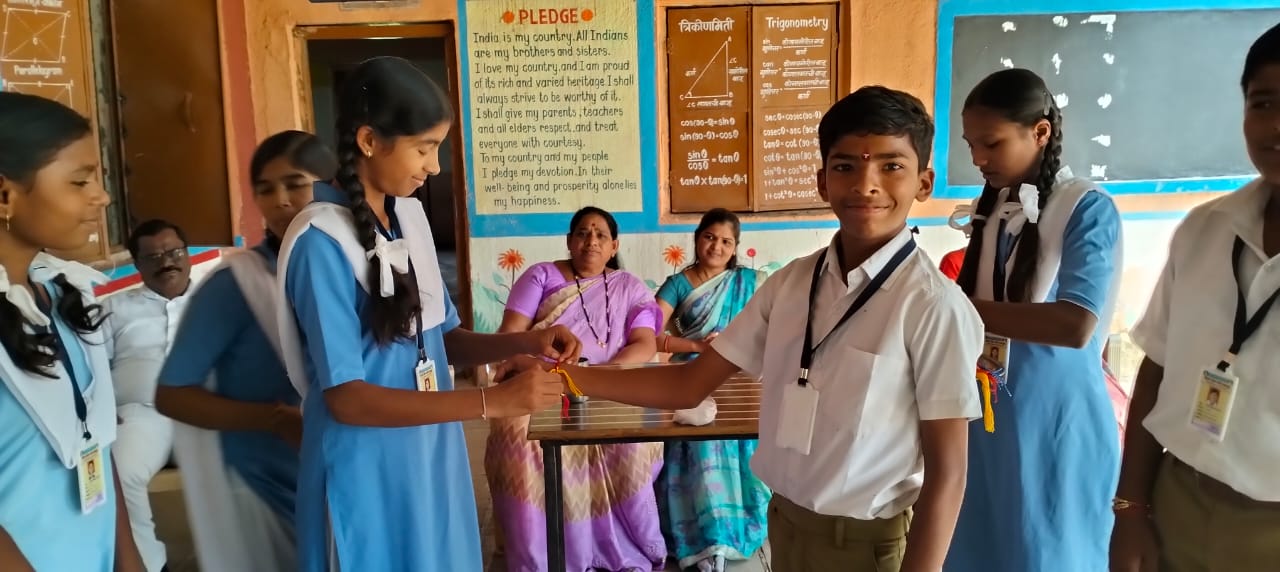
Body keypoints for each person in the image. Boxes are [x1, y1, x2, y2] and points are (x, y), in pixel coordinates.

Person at [498, 85, 983, 572]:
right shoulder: (792, 284)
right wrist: (564, 377)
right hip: (783, 527)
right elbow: (690, 384)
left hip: (868, 546)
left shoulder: (933, 306)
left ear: (924, 182)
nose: (866, 184)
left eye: (891, 165)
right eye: (845, 166)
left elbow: (949, 473)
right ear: (821, 181)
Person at [274, 56, 577, 571]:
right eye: (424, 148)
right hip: (364, 466)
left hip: (429, 450)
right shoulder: (319, 244)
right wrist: (490, 401)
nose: (434, 166)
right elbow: (347, 399)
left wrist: (525, 342)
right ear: (369, 141)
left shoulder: (408, 219)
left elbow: (442, 339)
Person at [1111, 23, 1280, 571]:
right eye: (1263, 102)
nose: (1276, 126)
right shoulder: (1206, 230)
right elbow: (1156, 367)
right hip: (1178, 502)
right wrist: (1131, 508)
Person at [943, 68, 1123, 572]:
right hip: (988, 413)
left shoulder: (1087, 208)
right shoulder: (996, 206)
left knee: (1046, 551)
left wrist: (957, 310)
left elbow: (1075, 325)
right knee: (981, 546)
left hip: (1055, 420)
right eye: (970, 144)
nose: (978, 158)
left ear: (1040, 132)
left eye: (991, 143)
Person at [154, 130, 338, 571]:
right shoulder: (235, 286)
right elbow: (172, 393)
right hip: (268, 485)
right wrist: (272, 420)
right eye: (265, 189)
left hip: (342, 474)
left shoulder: (349, 269)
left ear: (332, 185)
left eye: (295, 184)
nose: (279, 200)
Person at [0, 91, 144, 571]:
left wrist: (130, 561)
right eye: (80, 181)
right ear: (5, 195)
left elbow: (95, 447)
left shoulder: (65, 299)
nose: (101, 196)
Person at [485, 206, 667, 572]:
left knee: (631, 437)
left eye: (601, 235)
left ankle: (620, 544)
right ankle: (537, 557)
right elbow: (509, 339)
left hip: (608, 385)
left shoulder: (629, 287)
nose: (591, 241)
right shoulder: (541, 276)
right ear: (569, 241)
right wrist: (552, 372)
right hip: (540, 381)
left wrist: (596, 377)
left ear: (614, 245)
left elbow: (645, 343)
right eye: (583, 233)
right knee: (518, 435)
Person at [652, 208, 771, 572]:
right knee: (702, 443)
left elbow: (776, 329)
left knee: (738, 439)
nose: (716, 246)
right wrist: (697, 348)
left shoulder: (752, 281)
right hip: (692, 379)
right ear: (696, 238)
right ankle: (703, 539)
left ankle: (727, 533)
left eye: (726, 241)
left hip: (740, 377)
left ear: (735, 247)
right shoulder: (677, 285)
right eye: (709, 237)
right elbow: (651, 337)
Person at [101, 218, 194, 572]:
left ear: (187, 255)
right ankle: (152, 565)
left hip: (205, 411)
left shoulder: (213, 300)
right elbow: (93, 368)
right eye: (153, 257)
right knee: (119, 474)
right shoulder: (112, 309)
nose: (166, 262)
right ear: (137, 265)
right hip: (140, 414)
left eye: (173, 252)